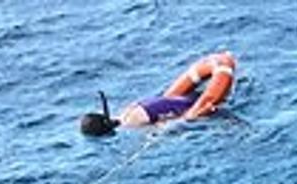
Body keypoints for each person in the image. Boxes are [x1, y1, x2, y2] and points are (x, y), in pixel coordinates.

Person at [79, 52, 237, 136]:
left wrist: (190, 117)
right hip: (181, 101)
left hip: (189, 106)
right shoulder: (126, 112)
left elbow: (169, 124)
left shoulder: (132, 123)